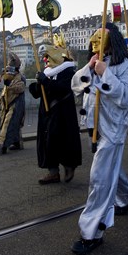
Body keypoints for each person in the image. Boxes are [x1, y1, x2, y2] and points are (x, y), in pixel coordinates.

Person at [70, 23, 128, 255]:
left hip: (113, 130)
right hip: (95, 127)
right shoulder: (98, 61)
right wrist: (89, 68)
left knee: (99, 178)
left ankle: (92, 232)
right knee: (111, 170)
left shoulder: (125, 65)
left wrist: (104, 74)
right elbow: (76, 85)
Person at [29, 32, 82, 184]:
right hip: (47, 114)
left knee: (64, 140)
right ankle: (53, 172)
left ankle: (69, 165)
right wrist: (37, 85)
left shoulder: (68, 71)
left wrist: (45, 82)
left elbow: (64, 88)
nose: (46, 60)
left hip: (63, 113)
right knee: (48, 141)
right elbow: (39, 93)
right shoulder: (47, 72)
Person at [0, 52, 26, 154]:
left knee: (8, 123)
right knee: (11, 123)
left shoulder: (20, 77)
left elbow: (20, 88)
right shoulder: (9, 76)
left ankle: (1, 145)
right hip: (7, 103)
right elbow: (5, 91)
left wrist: (9, 85)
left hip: (16, 103)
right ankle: (17, 143)